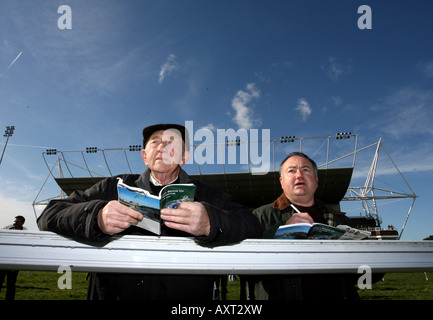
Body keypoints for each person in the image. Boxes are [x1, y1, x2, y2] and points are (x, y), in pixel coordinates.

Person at [37, 123, 262, 300]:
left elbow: (252, 224)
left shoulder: (208, 195)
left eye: (171, 142)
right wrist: (96, 216)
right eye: (155, 142)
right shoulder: (112, 187)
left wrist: (210, 221)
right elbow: (50, 213)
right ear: (144, 155)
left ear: (184, 157)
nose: (162, 147)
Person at [253, 152, 360, 300]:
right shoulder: (260, 216)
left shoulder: (340, 220)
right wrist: (282, 231)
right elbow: (246, 272)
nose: (299, 175)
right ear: (282, 181)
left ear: (316, 180)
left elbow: (368, 277)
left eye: (306, 170)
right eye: (292, 171)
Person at [1, 215, 26, 300]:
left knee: (11, 283)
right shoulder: (7, 230)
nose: (14, 223)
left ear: (22, 223)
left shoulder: (25, 233)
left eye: (17, 221)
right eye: (15, 221)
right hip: (4, 259)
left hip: (14, 261)